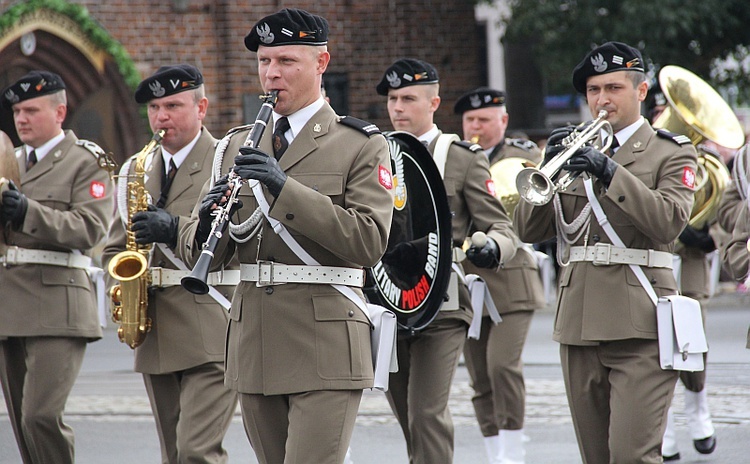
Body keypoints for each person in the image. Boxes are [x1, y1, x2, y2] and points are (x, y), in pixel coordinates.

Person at [178, 8, 393, 464]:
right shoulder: (235, 145)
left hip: (327, 340)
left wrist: (282, 187)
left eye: (286, 62)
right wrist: (206, 223)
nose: (272, 74)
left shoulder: (360, 143)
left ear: (321, 63)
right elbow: (208, 255)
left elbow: (369, 240)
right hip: (254, 339)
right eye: (264, 62)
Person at [514, 42, 698, 463]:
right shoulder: (571, 154)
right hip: (579, 323)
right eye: (594, 90)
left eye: (613, 88)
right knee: (595, 456)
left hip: (643, 323)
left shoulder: (671, 151)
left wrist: (608, 170)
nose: (602, 99)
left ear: (641, 91)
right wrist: (548, 164)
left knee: (632, 454)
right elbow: (529, 229)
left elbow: (668, 221)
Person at [376, 58, 520, 464]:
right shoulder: (374, 153)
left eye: (408, 99)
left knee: (426, 413)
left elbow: (501, 227)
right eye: (392, 99)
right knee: (406, 416)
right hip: (387, 298)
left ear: (433, 102)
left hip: (443, 301)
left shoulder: (462, 157)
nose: (397, 108)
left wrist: (492, 247)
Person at [102, 64, 238, 463]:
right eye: (155, 108)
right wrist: (123, 285)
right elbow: (114, 249)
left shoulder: (225, 161)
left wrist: (173, 227)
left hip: (211, 326)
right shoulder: (135, 170)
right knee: (174, 454)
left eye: (174, 105)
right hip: (156, 332)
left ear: (202, 108)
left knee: (198, 452)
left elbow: (229, 243)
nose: (162, 117)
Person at [0, 71, 114, 463]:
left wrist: (29, 211)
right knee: (20, 422)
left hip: (57, 303)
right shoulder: (7, 161)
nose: (21, 119)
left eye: (31, 110)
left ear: (59, 112)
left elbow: (91, 228)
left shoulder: (86, 161)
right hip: (9, 306)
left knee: (41, 415)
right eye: (16, 111)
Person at [454, 87, 546, 464]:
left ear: (503, 122)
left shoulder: (521, 155)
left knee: (502, 365)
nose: (476, 127)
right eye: (470, 120)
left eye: (484, 120)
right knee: (478, 374)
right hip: (470, 278)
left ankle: (512, 450)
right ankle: (495, 450)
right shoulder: (456, 158)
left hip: (512, 277)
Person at [645, 86, 718, 461]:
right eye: (660, 108)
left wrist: (701, 234)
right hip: (651, 266)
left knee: (693, 346)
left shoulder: (705, 163)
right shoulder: (641, 155)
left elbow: (722, 213)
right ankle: (665, 429)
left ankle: (699, 409)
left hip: (687, 266)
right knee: (653, 355)